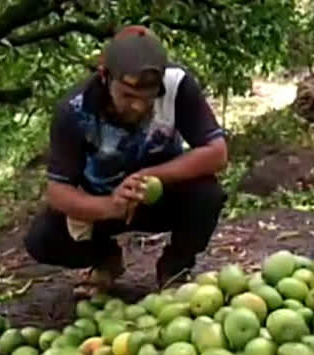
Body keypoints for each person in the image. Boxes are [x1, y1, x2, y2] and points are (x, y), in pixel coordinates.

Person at [24, 25, 229, 296]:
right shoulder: (74, 110)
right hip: (105, 205)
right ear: (104, 76)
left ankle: (174, 269)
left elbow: (217, 153)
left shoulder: (176, 85)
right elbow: (58, 191)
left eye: (148, 98)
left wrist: (150, 176)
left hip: (160, 198)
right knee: (43, 239)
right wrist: (111, 205)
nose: (139, 106)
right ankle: (105, 259)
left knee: (208, 194)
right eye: (128, 96)